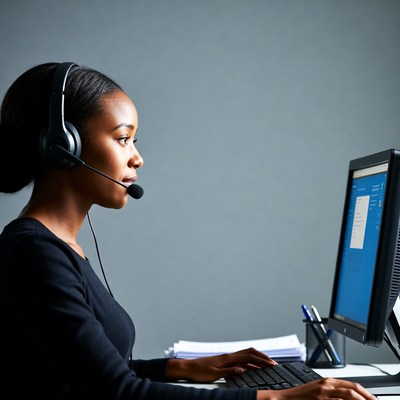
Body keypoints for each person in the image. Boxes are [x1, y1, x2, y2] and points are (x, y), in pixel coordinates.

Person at [0, 62, 376, 400]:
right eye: (122, 138)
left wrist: (180, 367)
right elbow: (118, 393)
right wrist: (278, 399)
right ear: (63, 147)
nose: (137, 157)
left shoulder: (56, 248)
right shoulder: (36, 254)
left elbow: (87, 372)